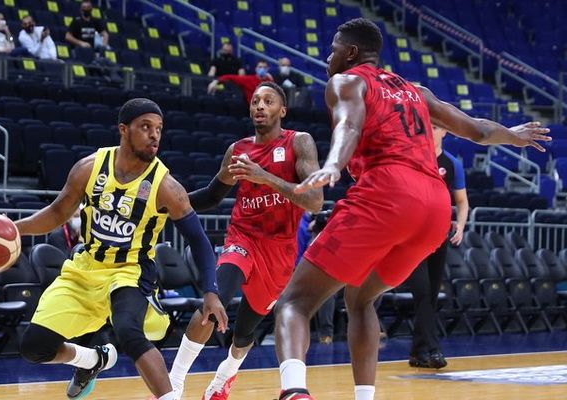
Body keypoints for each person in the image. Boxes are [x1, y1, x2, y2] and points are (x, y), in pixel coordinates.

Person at [273, 18, 551, 400]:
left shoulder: (346, 81)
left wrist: (334, 164)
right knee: (360, 298)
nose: (328, 57)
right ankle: (365, 397)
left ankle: (293, 392)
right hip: (435, 207)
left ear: (350, 52)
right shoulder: (416, 91)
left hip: (389, 193)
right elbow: (479, 130)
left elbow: (348, 127)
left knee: (294, 302)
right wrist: (514, 136)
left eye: (333, 49)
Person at [17, 98, 228, 400]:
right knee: (34, 347)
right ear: (123, 129)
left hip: (130, 271)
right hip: (85, 267)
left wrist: (210, 291)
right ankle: (92, 360)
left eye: (159, 129)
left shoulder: (166, 186)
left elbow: (198, 240)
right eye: (145, 127)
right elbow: (57, 213)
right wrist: (15, 228)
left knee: (129, 332)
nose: (154, 135)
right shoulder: (89, 168)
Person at [166, 82, 323, 400]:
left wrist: (264, 177)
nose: (260, 106)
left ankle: (224, 376)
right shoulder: (238, 150)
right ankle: (172, 385)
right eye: (255, 101)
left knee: (244, 333)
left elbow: (315, 201)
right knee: (215, 301)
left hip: (279, 253)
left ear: (282, 110)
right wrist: (167, 205)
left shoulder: (299, 142)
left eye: (268, 101)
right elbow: (212, 195)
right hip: (243, 238)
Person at [405, 124, 469, 369]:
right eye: (428, 126)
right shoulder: (411, 157)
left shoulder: (452, 163)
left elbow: (462, 201)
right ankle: (433, 350)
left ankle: (417, 352)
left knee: (430, 295)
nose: (431, 131)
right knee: (422, 292)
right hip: (413, 236)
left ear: (445, 132)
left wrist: (460, 225)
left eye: (436, 127)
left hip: (439, 236)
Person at [208, 60, 273, 104]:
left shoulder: (270, 81)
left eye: (264, 67)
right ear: (256, 69)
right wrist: (216, 81)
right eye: (260, 67)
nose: (262, 69)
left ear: (268, 69)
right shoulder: (248, 79)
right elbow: (228, 76)